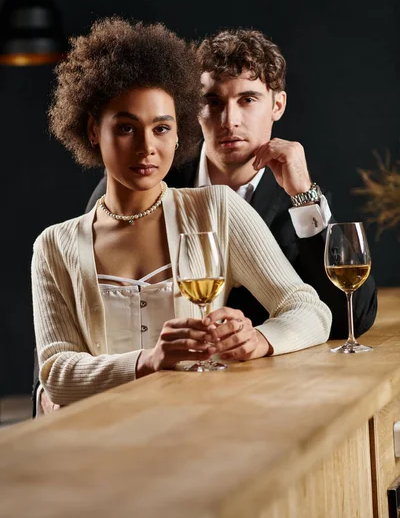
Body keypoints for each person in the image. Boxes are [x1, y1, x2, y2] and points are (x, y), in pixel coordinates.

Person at [32, 17, 331, 412]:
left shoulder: (218, 209)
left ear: (178, 134)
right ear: (92, 130)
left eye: (161, 128)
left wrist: (260, 339)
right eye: (125, 128)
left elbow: (309, 309)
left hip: (200, 430)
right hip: (98, 444)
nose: (146, 148)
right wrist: (147, 361)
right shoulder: (54, 245)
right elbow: (55, 372)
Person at [87, 28, 377, 337]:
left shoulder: (300, 200)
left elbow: (351, 320)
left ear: (277, 105)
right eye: (212, 102)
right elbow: (80, 294)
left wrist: (304, 196)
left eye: (247, 99)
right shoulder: (143, 177)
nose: (229, 121)